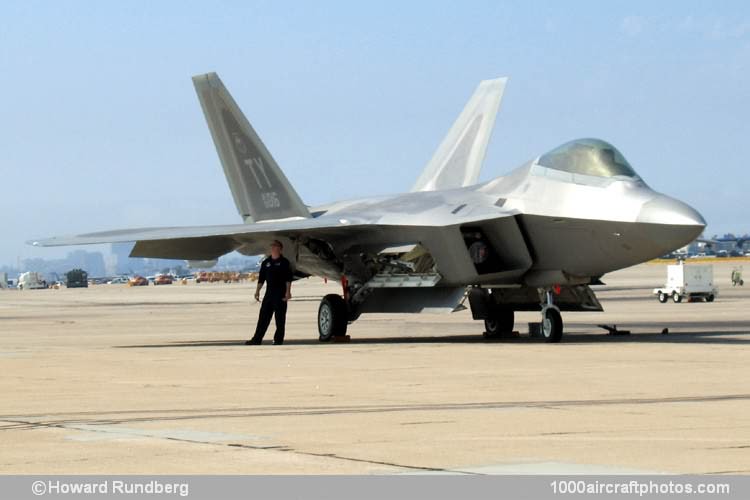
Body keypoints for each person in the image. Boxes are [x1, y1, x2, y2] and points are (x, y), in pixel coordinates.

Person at [245, 240, 293, 345]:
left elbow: (288, 279)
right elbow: (261, 279)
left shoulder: (284, 262)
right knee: (263, 318)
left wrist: (288, 292)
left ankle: (278, 339)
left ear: (280, 249)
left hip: (280, 294)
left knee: (280, 319)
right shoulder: (266, 263)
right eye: (272, 246)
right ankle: (257, 339)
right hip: (269, 294)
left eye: (275, 246)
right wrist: (257, 291)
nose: (272, 248)